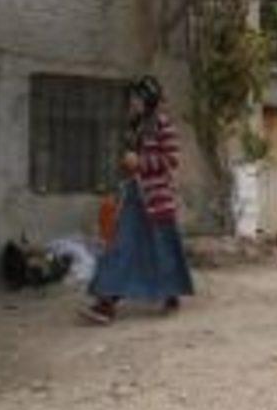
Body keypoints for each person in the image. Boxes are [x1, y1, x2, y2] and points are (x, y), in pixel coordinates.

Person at [80, 75, 194, 324]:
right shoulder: (136, 126)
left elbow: (172, 159)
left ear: (148, 99)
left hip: (157, 198)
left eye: (136, 98)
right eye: (132, 99)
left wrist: (140, 162)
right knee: (121, 246)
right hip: (134, 196)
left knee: (162, 250)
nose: (132, 103)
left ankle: (170, 292)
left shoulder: (163, 124)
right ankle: (106, 302)